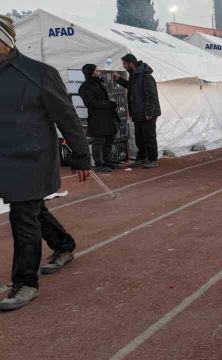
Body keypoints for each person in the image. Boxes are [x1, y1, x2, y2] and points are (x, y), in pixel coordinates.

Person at [0, 15, 92, 311]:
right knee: (33, 210)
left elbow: (66, 116)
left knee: (22, 215)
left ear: (4, 40)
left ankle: (26, 283)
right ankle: (64, 246)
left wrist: (81, 156)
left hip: (32, 158)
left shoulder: (38, 73)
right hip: (3, 157)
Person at [113, 54, 161, 168]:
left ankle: (152, 158)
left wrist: (149, 112)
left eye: (125, 64)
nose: (124, 66)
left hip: (147, 113)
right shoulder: (134, 76)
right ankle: (142, 157)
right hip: (138, 112)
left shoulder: (146, 76)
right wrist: (119, 79)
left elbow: (151, 96)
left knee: (149, 136)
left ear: (131, 63)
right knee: (139, 136)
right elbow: (131, 87)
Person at [79, 64, 121, 173]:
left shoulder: (99, 83)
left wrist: (110, 105)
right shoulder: (85, 87)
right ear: (91, 72)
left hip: (107, 116)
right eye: (97, 71)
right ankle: (99, 163)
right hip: (97, 118)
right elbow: (90, 103)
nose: (99, 72)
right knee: (99, 140)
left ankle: (108, 160)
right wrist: (107, 104)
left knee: (109, 138)